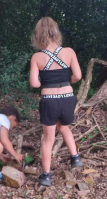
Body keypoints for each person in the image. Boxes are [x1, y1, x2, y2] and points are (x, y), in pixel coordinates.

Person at [30, 17, 83, 187]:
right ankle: (75, 157)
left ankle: (46, 175)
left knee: (48, 140)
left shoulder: (37, 57)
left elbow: (34, 83)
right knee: (64, 126)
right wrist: (69, 82)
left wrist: (42, 81)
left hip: (50, 101)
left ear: (38, 36)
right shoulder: (69, 52)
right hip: (68, 99)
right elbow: (78, 76)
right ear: (56, 33)